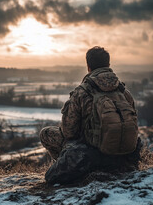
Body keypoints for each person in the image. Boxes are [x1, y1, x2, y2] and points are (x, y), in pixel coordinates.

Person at [40, 46, 142, 184]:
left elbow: (69, 132)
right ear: (108, 65)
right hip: (125, 153)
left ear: (88, 66)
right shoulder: (124, 92)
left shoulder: (82, 92)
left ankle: (77, 169)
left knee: (46, 134)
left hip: (92, 155)